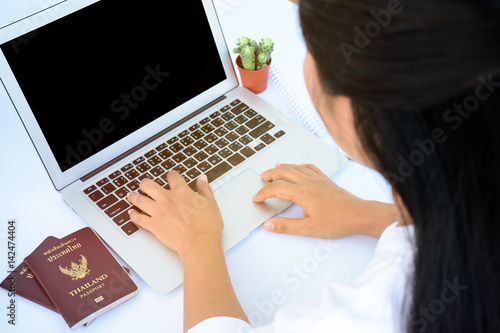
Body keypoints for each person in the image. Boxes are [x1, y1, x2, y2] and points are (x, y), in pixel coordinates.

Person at [126, 0, 500, 332]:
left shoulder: (377, 312)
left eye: (313, 49)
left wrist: (198, 243)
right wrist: (369, 215)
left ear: (352, 110)